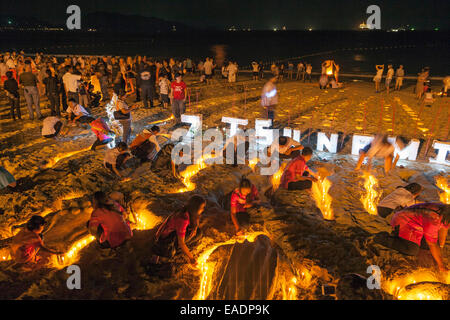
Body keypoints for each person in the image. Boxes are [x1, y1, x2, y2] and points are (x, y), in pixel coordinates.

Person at [375, 203, 449, 272]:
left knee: (431, 247)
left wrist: (441, 247)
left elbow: (444, 228)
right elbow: (432, 244)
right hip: (403, 222)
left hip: (417, 222)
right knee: (412, 250)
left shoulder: (445, 212)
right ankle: (383, 238)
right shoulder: (433, 219)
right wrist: (441, 265)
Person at [151, 195, 206, 265]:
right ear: (195, 209)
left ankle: (180, 248)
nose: (203, 209)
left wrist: (194, 228)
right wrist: (191, 258)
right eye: (202, 208)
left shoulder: (187, 210)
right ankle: (173, 251)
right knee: (171, 252)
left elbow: (195, 223)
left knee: (198, 233)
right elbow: (181, 243)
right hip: (165, 239)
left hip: (172, 232)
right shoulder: (183, 220)